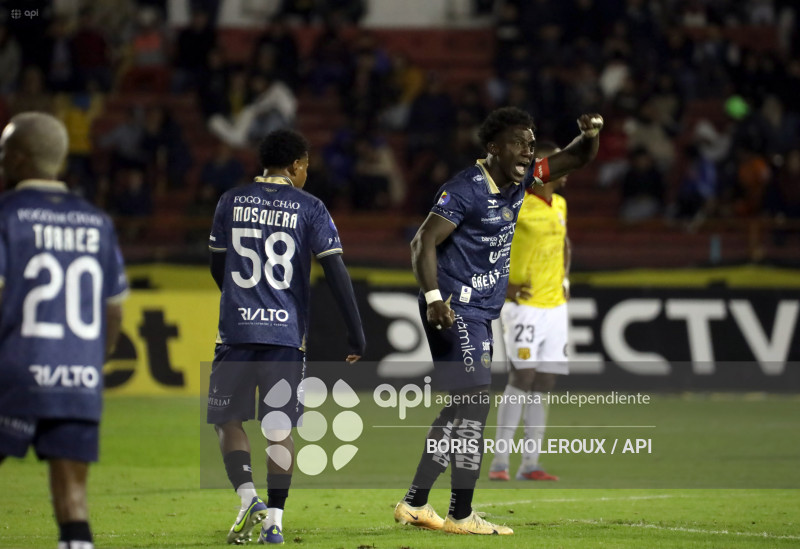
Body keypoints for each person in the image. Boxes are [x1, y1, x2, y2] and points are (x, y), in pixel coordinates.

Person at [394, 107, 602, 535]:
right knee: (473, 404)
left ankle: (415, 503)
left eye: (531, 143)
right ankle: (461, 513)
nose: (527, 150)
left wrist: (590, 134)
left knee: (459, 409)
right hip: (454, 307)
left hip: (478, 311)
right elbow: (423, 241)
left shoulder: (522, 179)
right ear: (493, 148)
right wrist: (434, 299)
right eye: (518, 143)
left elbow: (576, 158)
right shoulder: (465, 190)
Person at [208, 129, 365, 544]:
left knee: (227, 419)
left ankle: (247, 500)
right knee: (278, 427)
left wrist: (241, 299)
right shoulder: (309, 207)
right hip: (285, 335)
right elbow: (335, 271)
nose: (307, 173)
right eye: (307, 166)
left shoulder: (230, 201)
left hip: (236, 332)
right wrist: (356, 332)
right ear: (296, 166)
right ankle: (275, 520)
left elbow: (216, 267)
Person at [0, 112, 128, 549]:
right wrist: (91, 362)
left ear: (17, 160)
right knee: (74, 500)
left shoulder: (7, 215)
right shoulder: (98, 222)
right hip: (77, 378)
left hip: (13, 372)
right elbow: (114, 311)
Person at [488, 141, 572, 482]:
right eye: (559, 160)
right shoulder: (517, 203)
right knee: (522, 377)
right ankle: (499, 464)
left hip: (555, 307)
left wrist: (564, 280)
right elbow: (485, 243)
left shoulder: (560, 204)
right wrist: (501, 286)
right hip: (522, 306)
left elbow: (565, 244)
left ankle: (530, 464)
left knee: (545, 381)